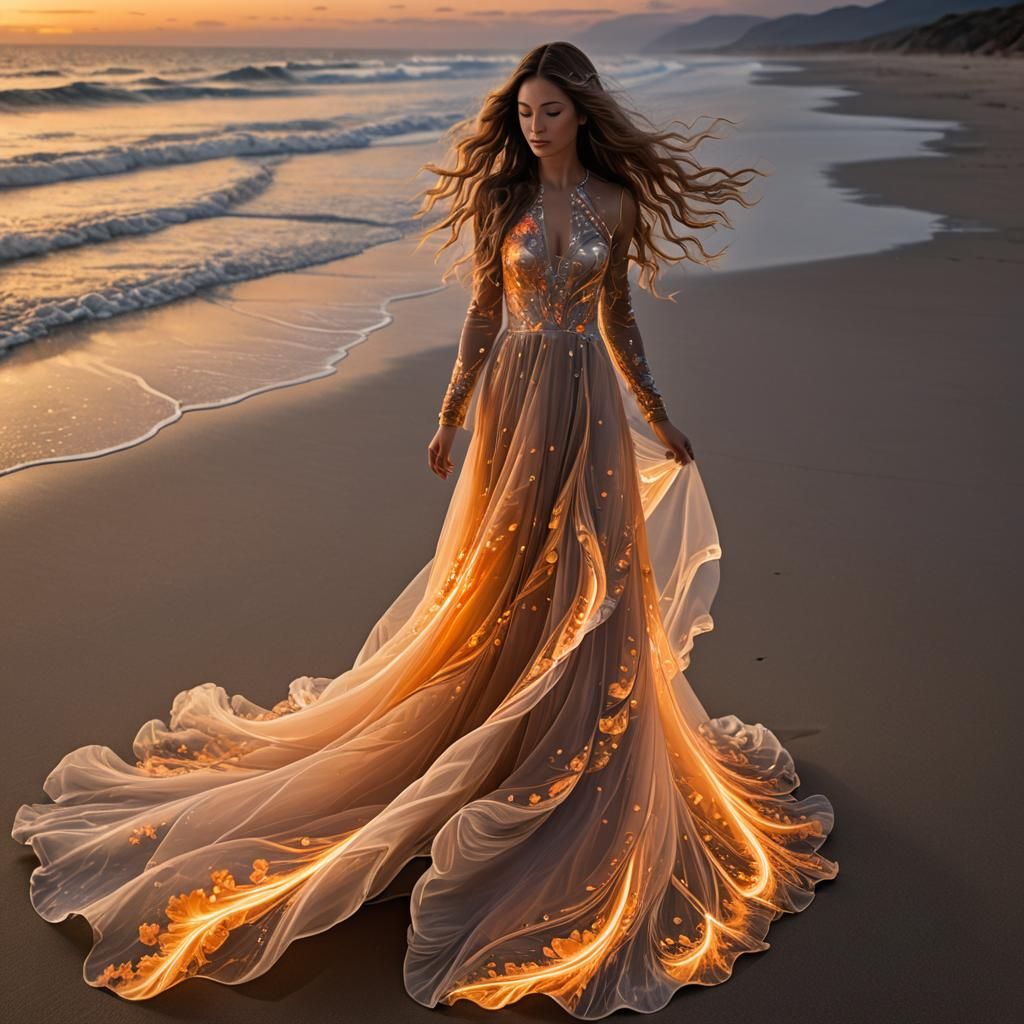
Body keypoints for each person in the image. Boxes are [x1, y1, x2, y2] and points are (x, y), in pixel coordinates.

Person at [11, 42, 838, 1019]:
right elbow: (484, 314)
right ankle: (489, 724)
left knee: (594, 578)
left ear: (582, 115)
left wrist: (656, 418)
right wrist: (450, 413)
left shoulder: (614, 206)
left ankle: (574, 740)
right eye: (524, 113)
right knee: (504, 576)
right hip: (515, 408)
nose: (534, 127)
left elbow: (617, 320)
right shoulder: (503, 206)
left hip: (590, 409)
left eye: (550, 113)